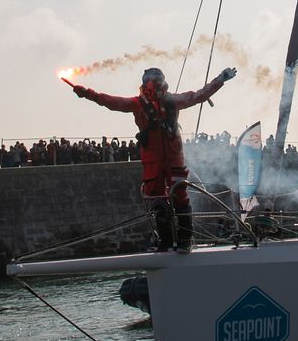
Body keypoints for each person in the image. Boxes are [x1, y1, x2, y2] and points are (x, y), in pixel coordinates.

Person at [70, 64, 238, 253]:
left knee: (163, 198)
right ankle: (182, 240)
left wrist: (88, 93)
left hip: (161, 158)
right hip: (167, 157)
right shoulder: (169, 101)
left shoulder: (140, 103)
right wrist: (220, 80)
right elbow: (198, 95)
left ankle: (168, 242)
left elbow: (110, 102)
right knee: (176, 196)